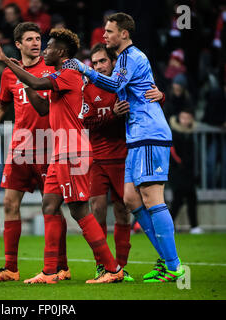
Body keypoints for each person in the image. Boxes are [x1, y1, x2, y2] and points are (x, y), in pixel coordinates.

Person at [0, 28, 124, 284]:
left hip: (72, 150)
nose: (44, 50)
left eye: (48, 47)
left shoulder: (70, 74)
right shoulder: (59, 75)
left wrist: (8, 63)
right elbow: (41, 107)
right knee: (49, 205)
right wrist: (24, 80)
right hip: (59, 152)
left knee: (79, 210)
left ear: (61, 52)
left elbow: (39, 83)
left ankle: (111, 268)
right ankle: (50, 271)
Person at [71, 12, 184, 283]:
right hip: (136, 136)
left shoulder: (131, 56)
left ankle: (173, 265)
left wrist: (83, 68)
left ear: (124, 33)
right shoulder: (124, 59)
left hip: (147, 133)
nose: (104, 36)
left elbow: (115, 84)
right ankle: (167, 261)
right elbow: (142, 88)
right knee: (132, 199)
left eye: (109, 31)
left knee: (152, 198)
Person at [0, 22, 70, 282]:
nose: (36, 43)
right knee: (9, 203)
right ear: (18, 44)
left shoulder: (51, 68)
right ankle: (10, 268)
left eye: (38, 38)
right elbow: (1, 105)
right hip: (20, 147)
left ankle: (60, 266)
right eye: (29, 39)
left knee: (51, 206)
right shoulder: (9, 73)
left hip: (49, 145)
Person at [82, 43, 166, 282]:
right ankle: (102, 265)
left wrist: (161, 96)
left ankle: (121, 267)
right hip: (97, 158)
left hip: (124, 157)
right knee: (96, 211)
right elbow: (85, 123)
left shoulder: (125, 84)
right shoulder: (88, 88)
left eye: (102, 61)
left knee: (123, 211)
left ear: (113, 63)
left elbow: (148, 101)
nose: (97, 66)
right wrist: (112, 114)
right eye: (94, 63)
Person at [169, 109, 203, 234]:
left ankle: (194, 226)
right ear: (179, 118)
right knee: (177, 200)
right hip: (178, 173)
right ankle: (169, 226)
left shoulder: (191, 133)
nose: (185, 121)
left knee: (192, 199)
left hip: (189, 173)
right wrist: (180, 164)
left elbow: (195, 156)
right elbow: (173, 154)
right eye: (183, 117)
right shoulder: (173, 133)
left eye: (188, 118)